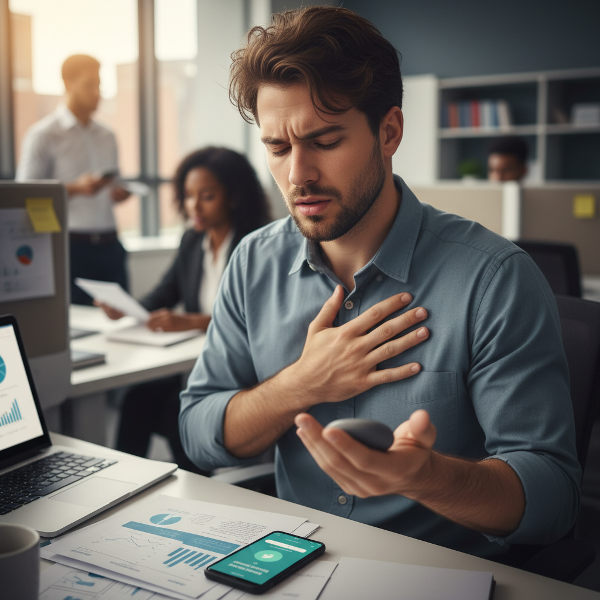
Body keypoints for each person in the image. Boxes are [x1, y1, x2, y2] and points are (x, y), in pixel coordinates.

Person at [179, 6, 580, 557]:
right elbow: (198, 431)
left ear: (388, 133)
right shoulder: (253, 262)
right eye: (277, 147)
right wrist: (302, 384)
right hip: (288, 563)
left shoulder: (493, 279)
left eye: (324, 141)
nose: (297, 175)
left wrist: (426, 476)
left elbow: (554, 497)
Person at [99, 147, 270, 473]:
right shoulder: (193, 242)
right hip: (193, 365)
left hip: (241, 373)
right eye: (188, 195)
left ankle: (198, 484)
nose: (194, 205)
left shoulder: (258, 247)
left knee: (175, 413)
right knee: (137, 400)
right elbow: (165, 293)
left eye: (206, 196)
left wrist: (196, 322)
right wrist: (124, 308)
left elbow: (261, 321)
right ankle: (121, 481)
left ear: (233, 197)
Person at [16, 54, 131, 305]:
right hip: (71, 248)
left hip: (111, 245)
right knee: (76, 325)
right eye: (90, 84)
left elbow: (113, 184)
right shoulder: (43, 135)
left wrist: (117, 192)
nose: (97, 92)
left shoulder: (107, 135)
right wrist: (76, 188)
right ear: (68, 84)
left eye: (99, 85)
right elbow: (26, 193)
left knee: (123, 320)